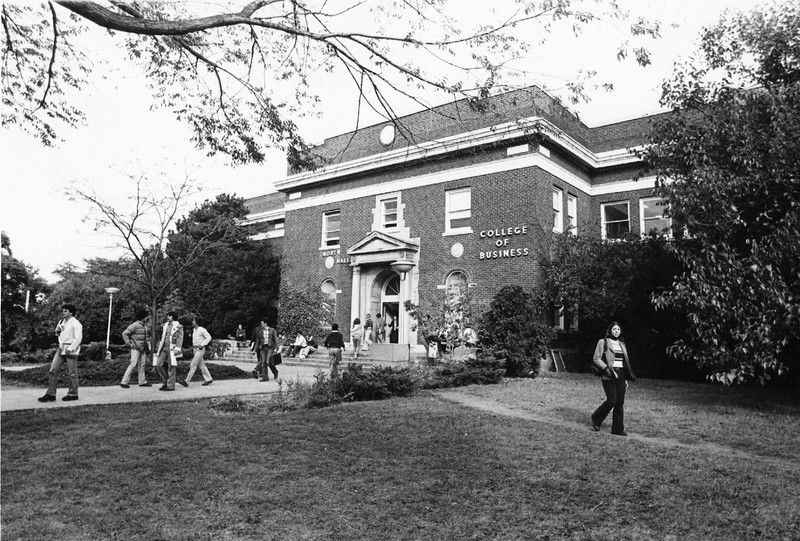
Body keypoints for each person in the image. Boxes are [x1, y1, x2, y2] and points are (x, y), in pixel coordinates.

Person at [590, 321, 636, 436]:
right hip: (609, 373)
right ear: (610, 330)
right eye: (614, 329)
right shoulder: (603, 342)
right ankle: (596, 418)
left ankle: (617, 429)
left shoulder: (622, 344)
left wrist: (624, 378)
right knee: (612, 400)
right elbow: (596, 358)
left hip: (620, 374)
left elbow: (623, 363)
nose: (616, 331)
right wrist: (607, 370)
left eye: (618, 329)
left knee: (620, 402)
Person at [38, 303, 83, 402]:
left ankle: (73, 394)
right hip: (61, 348)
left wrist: (71, 349)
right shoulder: (61, 321)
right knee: (53, 370)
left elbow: (78, 338)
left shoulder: (76, 323)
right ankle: (50, 394)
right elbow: (58, 333)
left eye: (66, 311)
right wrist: (57, 331)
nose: (63, 312)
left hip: (70, 350)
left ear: (71, 313)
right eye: (63, 310)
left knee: (72, 373)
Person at [120, 309, 152, 388]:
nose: (147, 318)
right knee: (133, 364)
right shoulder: (135, 325)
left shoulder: (144, 326)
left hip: (142, 348)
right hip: (135, 348)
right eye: (146, 316)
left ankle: (142, 382)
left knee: (142, 365)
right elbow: (125, 333)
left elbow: (146, 337)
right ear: (143, 317)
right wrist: (129, 344)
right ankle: (124, 382)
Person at [179, 316, 213, 387]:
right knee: (201, 364)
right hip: (195, 349)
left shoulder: (202, 329)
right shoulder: (194, 330)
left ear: (197, 322)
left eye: (194, 321)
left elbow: (209, 337)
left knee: (193, 364)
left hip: (200, 349)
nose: (192, 322)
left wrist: (203, 344)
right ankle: (208, 379)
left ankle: (186, 381)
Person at [155, 311, 183, 391]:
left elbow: (180, 338)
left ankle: (170, 386)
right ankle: (165, 382)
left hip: (172, 348)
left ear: (173, 317)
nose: (168, 317)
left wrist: (178, 348)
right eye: (168, 315)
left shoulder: (179, 326)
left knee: (171, 366)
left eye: (169, 316)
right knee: (159, 365)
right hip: (164, 347)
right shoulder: (165, 325)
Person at [250, 317, 278, 381]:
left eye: (262, 323)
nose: (261, 324)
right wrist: (254, 350)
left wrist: (276, 348)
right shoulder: (260, 331)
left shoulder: (272, 330)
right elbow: (257, 342)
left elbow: (275, 340)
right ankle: (265, 378)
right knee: (263, 362)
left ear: (266, 323)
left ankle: (275, 371)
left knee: (268, 361)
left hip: (270, 348)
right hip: (262, 348)